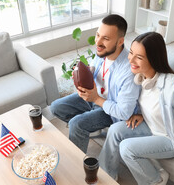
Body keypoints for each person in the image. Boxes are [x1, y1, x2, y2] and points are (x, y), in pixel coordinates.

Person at [99, 32, 174, 185]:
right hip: (153, 127)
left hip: (172, 139)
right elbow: (153, 105)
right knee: (116, 130)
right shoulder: (141, 78)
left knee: (127, 148)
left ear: (153, 59)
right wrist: (141, 114)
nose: (130, 60)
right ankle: (106, 171)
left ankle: (157, 178)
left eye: (138, 57)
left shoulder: (173, 86)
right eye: (131, 52)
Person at [50, 14, 140, 153]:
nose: (98, 42)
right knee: (56, 107)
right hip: (94, 98)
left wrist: (96, 99)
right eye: (98, 35)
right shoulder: (102, 52)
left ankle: (77, 162)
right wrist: (83, 73)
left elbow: (124, 112)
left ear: (120, 41)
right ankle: (87, 129)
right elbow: (95, 71)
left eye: (106, 38)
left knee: (77, 124)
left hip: (111, 111)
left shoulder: (128, 71)